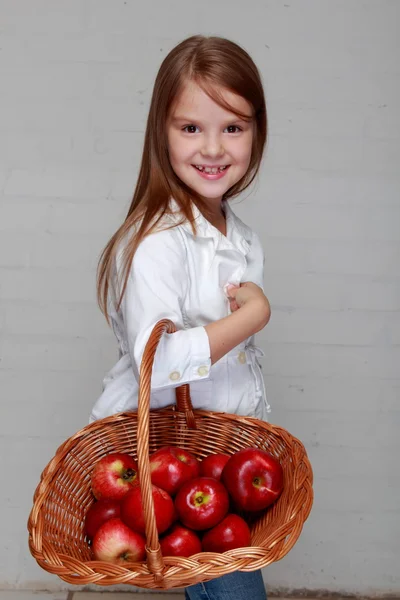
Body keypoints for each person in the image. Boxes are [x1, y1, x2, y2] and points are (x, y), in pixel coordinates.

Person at [90, 34, 271, 600]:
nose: (213, 147)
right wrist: (254, 316)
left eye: (233, 128)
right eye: (191, 128)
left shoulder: (238, 235)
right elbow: (161, 361)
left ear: (257, 133)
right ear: (160, 133)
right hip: (174, 466)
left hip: (218, 467)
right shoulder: (157, 243)